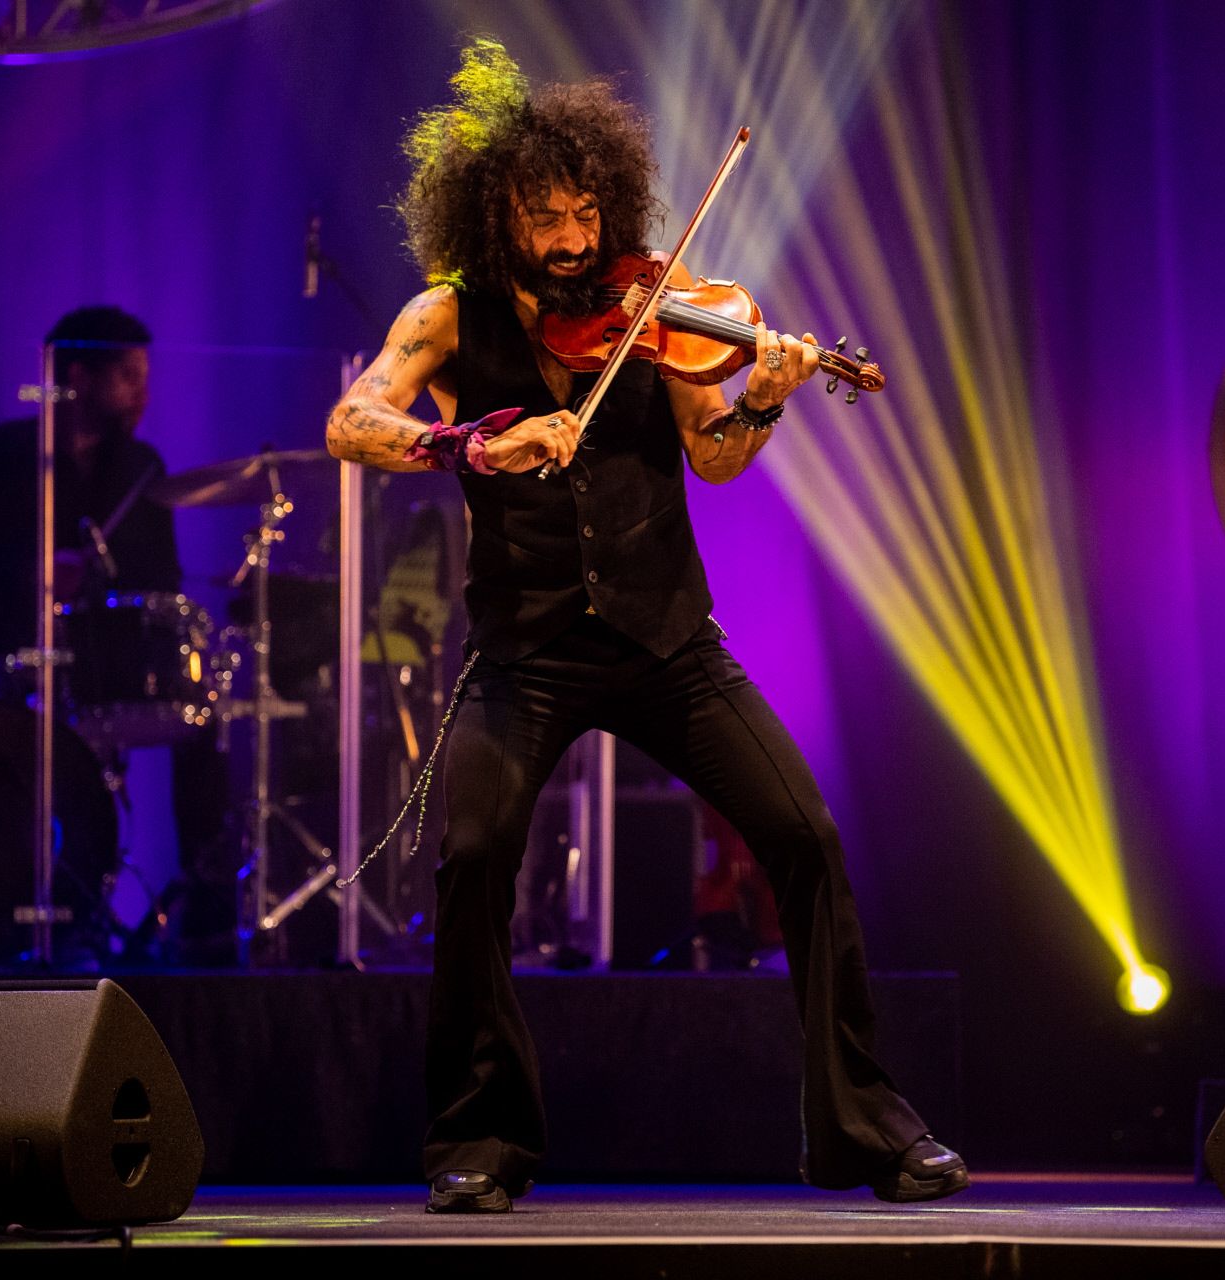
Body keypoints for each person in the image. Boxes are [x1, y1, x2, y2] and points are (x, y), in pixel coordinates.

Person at [323, 43, 967, 1213]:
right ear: (496, 215)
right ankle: (480, 1139)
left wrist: (766, 396)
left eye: (584, 213)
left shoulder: (656, 302)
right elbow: (351, 422)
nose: (571, 241)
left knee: (808, 837)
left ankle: (869, 1129)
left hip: (670, 643)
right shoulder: (448, 316)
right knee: (470, 858)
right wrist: (471, 442)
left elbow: (715, 460)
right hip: (523, 652)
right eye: (544, 218)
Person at [0, 305, 234, 960]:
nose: (142, 393)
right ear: (78, 378)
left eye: (145, 376)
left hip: (104, 668)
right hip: (7, 662)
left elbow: (164, 581)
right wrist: (31, 577)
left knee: (204, 722)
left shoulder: (145, 469)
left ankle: (206, 921)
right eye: (128, 376)